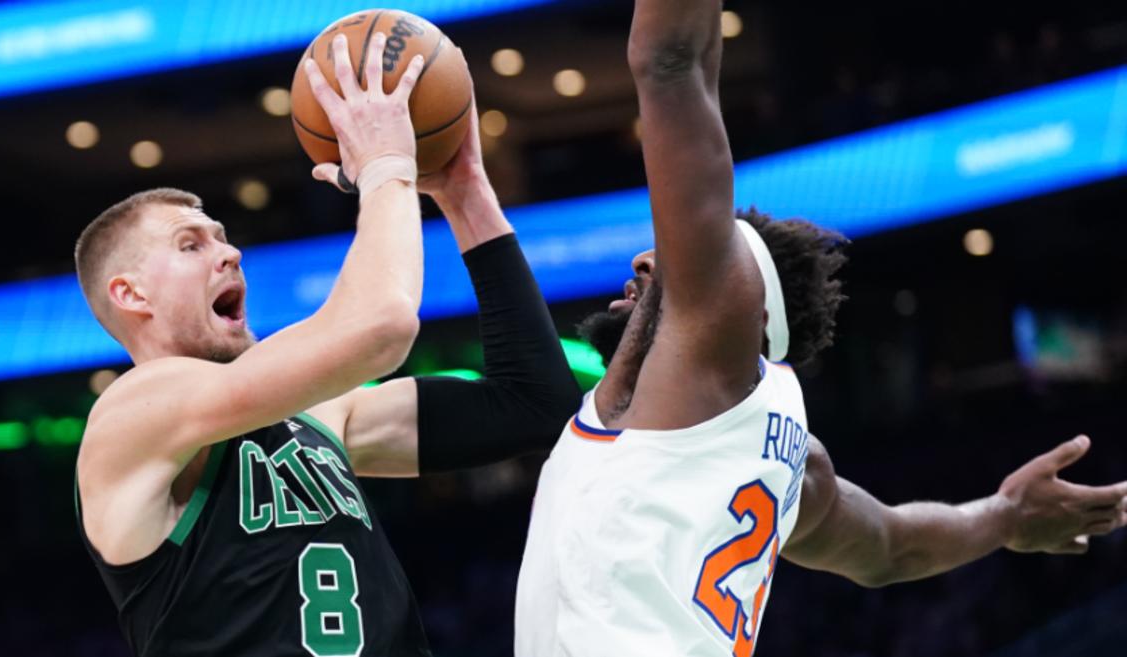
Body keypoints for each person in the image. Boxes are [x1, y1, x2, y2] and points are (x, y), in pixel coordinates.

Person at [513, 3, 1127, 656]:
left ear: (738, 304)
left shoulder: (714, 360)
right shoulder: (786, 459)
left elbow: (673, 60)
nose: (645, 258)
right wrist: (1002, 515)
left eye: (684, 262)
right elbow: (890, 543)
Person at [74, 32, 579, 656]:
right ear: (131, 295)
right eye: (190, 244)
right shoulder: (132, 413)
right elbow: (380, 329)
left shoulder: (323, 416)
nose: (229, 251)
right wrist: (386, 169)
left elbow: (536, 404)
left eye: (223, 237)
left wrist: (465, 193)